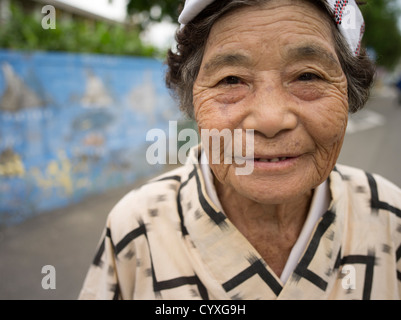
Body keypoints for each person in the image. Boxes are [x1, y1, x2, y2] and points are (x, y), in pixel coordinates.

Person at [79, 0, 401, 300]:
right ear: (192, 101)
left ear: (349, 94)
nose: (270, 119)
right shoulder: (135, 227)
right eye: (231, 80)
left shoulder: (391, 217)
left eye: (307, 75)